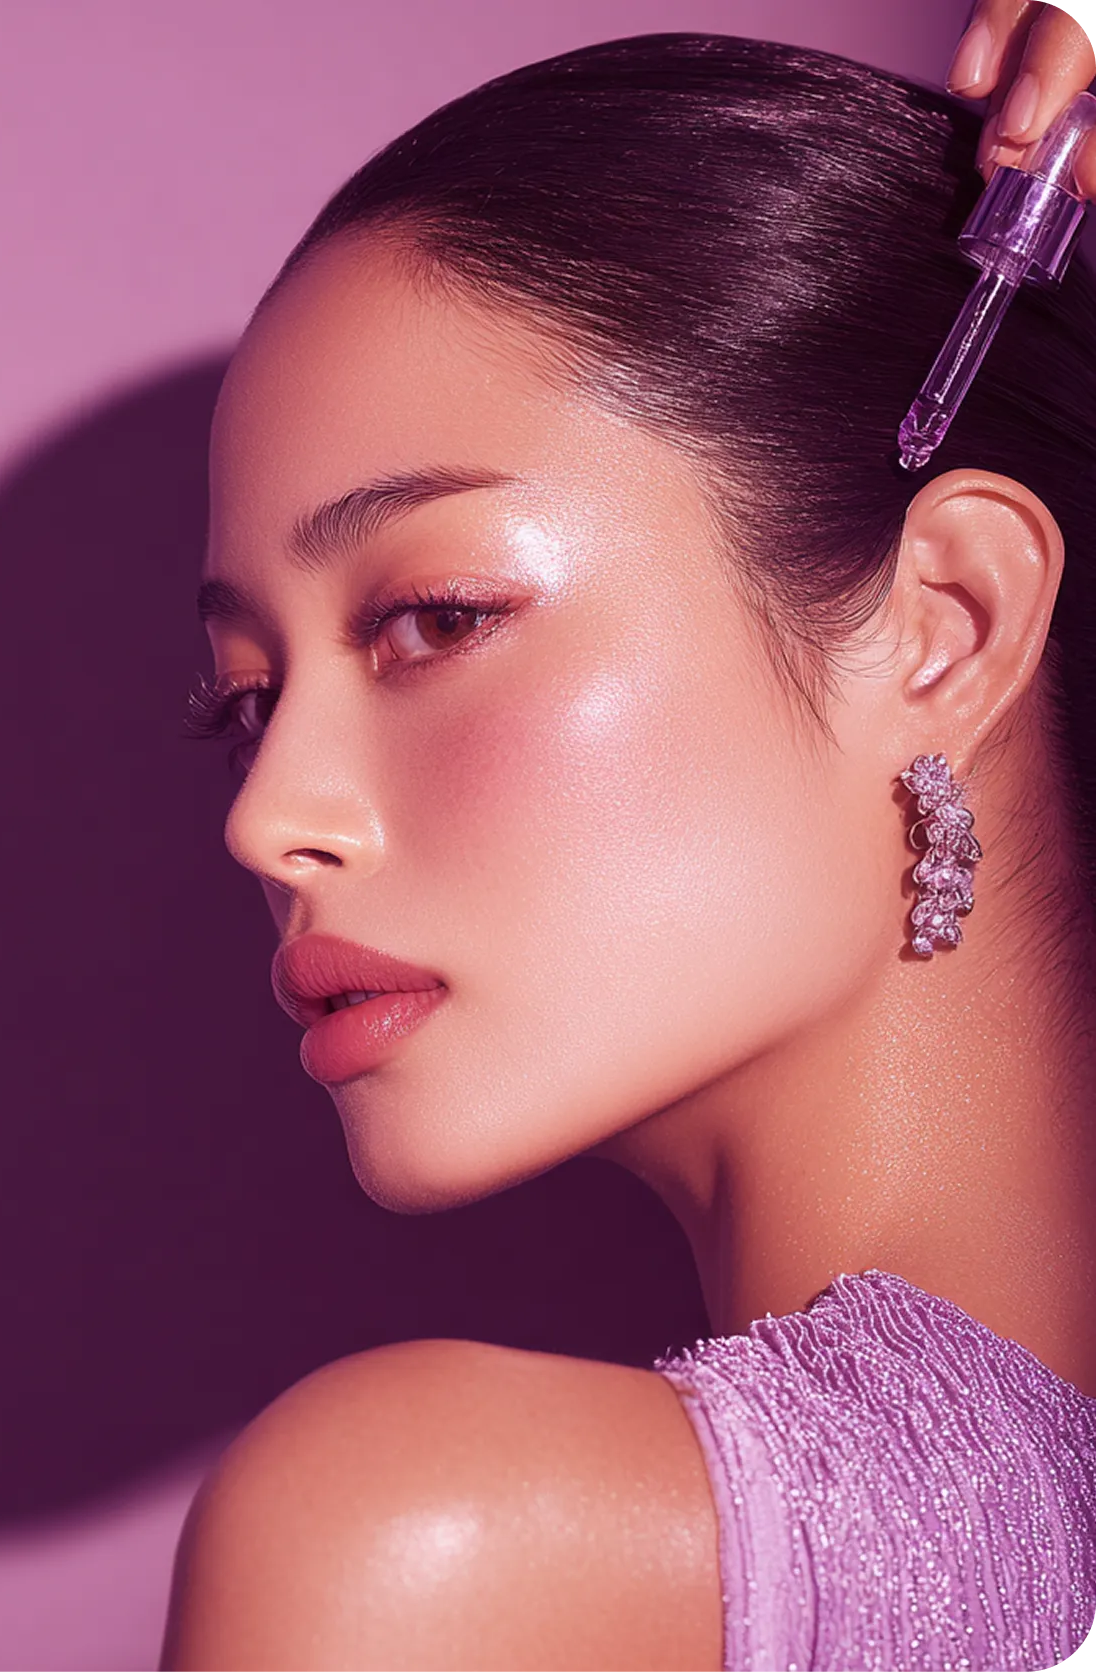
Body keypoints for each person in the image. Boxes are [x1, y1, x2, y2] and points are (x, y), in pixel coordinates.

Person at [158, 7, 1096, 1669]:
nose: (268, 817)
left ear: (945, 622)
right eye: (242, 698)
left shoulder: (429, 1549)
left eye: (435, 618)